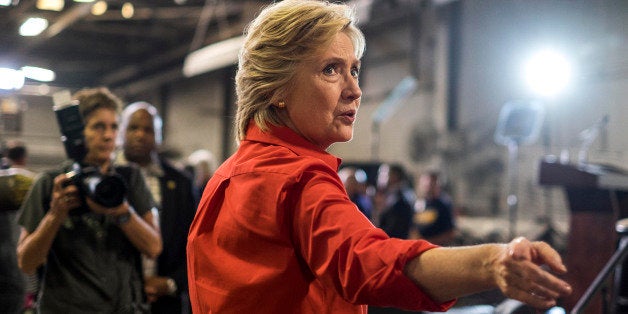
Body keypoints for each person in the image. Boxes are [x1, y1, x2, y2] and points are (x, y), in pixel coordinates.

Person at [186, 1, 572, 313]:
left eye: (354, 69)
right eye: (331, 69)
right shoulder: (298, 178)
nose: (355, 89)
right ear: (277, 89)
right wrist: (491, 262)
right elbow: (366, 260)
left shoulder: (225, 177)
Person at [16, 87, 162, 313]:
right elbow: (26, 263)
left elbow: (153, 247)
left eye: (114, 127)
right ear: (77, 131)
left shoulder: (128, 179)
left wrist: (120, 209)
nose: (108, 135)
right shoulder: (52, 183)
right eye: (98, 126)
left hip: (123, 307)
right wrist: (56, 214)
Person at [118, 101, 198, 314]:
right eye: (133, 128)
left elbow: (193, 243)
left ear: (159, 136)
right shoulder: (105, 177)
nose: (140, 135)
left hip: (163, 303)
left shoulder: (180, 182)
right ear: (121, 132)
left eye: (148, 130)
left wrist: (172, 283)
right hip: (112, 299)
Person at [0, 140, 37, 314]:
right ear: (24, 157)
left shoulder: (16, 182)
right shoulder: (23, 182)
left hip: (12, 275)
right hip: (11, 275)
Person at [411, 171, 457, 246]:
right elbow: (413, 227)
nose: (428, 186)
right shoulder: (418, 203)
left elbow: (451, 233)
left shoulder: (444, 204)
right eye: (425, 182)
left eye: (431, 183)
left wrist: (428, 242)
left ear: (438, 184)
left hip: (436, 249)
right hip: (419, 247)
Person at [374, 163, 416, 239]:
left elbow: (396, 227)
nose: (379, 178)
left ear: (395, 176)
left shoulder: (403, 197)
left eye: (383, 174)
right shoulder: (388, 194)